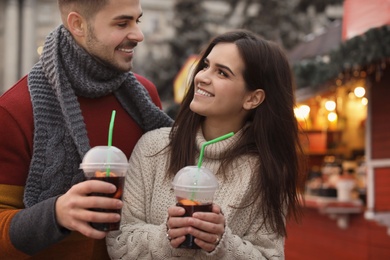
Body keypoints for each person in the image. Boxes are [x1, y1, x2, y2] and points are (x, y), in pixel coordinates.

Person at [106, 29, 307, 259]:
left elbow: (270, 256)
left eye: (222, 73)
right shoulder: (154, 147)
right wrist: (167, 237)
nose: (201, 77)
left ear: (253, 98)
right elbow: (119, 243)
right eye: (206, 66)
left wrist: (222, 243)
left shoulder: (265, 170)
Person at [0, 0, 173, 259]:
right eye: (122, 23)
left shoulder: (145, 98)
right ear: (77, 24)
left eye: (137, 20)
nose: (139, 35)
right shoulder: (14, 110)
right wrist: (56, 213)